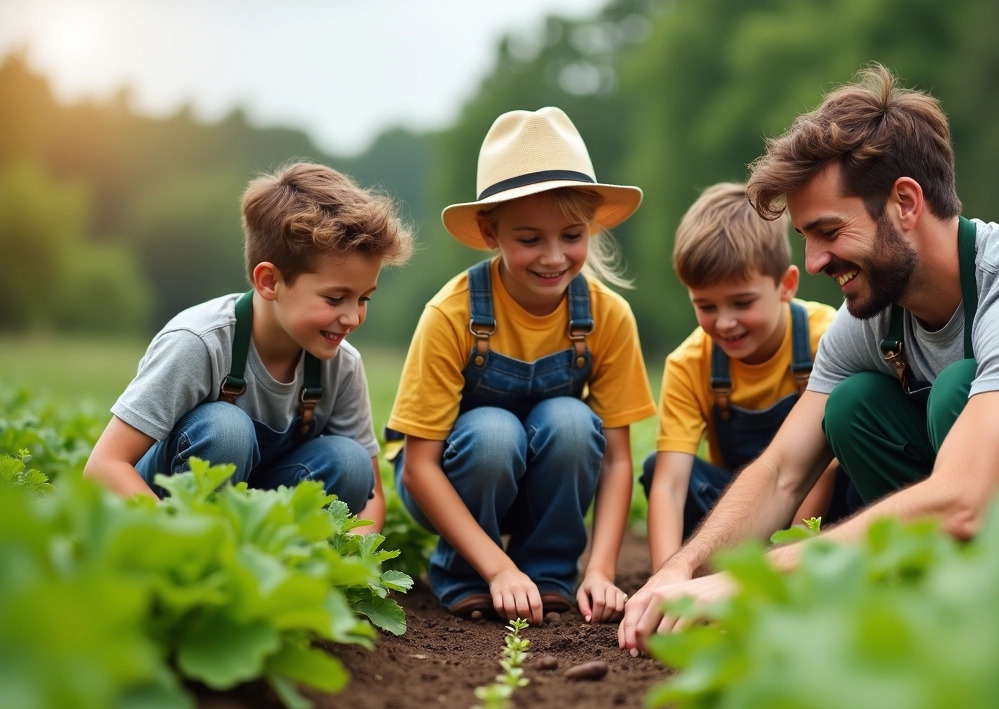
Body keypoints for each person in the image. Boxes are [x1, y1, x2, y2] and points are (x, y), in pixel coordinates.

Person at [619, 63, 999, 654]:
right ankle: (952, 609)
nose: (817, 260)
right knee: (854, 406)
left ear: (905, 201)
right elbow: (782, 471)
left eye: (828, 230)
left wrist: (754, 582)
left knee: (960, 390)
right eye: (806, 237)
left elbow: (965, 498)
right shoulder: (870, 315)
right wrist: (686, 570)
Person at [385, 106, 655, 626]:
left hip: (544, 481)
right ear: (490, 232)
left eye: (572, 236)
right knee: (492, 431)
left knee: (572, 423)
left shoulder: (606, 316)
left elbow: (618, 460)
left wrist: (599, 570)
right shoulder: (454, 313)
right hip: (449, 480)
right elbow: (419, 468)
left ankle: (549, 573)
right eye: (529, 239)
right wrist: (498, 569)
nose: (554, 257)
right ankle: (468, 572)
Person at [84, 162, 412, 535]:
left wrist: (347, 557)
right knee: (227, 430)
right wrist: (178, 539)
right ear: (269, 281)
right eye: (336, 298)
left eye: (364, 299)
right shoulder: (199, 343)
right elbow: (104, 466)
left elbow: (371, 497)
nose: (352, 317)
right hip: (165, 515)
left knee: (349, 462)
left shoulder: (342, 364)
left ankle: (271, 566)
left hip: (258, 517)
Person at [640, 182, 841, 572]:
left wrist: (788, 557)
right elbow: (670, 485)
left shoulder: (827, 337)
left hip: (820, 512)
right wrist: (666, 573)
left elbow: (826, 468)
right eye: (706, 306)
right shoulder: (689, 363)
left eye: (742, 302)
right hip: (737, 512)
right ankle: (711, 567)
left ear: (786, 285)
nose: (726, 322)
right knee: (654, 468)